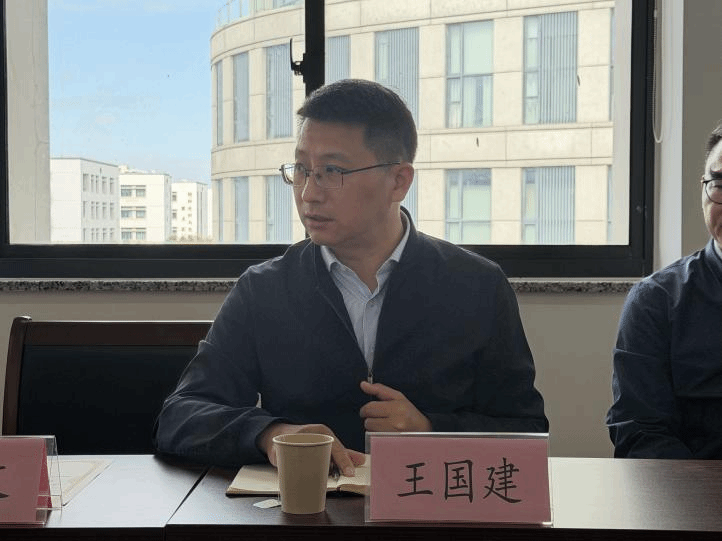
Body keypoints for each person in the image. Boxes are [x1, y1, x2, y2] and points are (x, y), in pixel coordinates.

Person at [154, 79, 548, 473]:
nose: (308, 193)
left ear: (398, 181)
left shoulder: (476, 286)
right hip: (306, 506)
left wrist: (430, 430)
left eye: (332, 171)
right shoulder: (264, 289)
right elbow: (180, 416)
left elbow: (527, 431)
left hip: (428, 505)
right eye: (302, 169)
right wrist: (271, 434)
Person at [606, 121, 722, 459]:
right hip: (696, 489)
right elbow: (640, 432)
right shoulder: (656, 301)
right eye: (719, 183)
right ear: (703, 189)